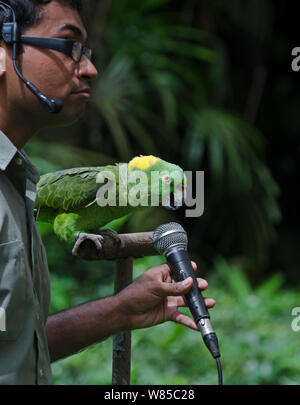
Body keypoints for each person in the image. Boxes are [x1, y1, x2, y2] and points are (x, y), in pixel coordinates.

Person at [0, 0, 216, 384]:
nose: (90, 69)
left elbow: (18, 348)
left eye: (88, 53)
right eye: (69, 47)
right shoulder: (90, 183)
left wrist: (122, 310)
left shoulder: (17, 184)